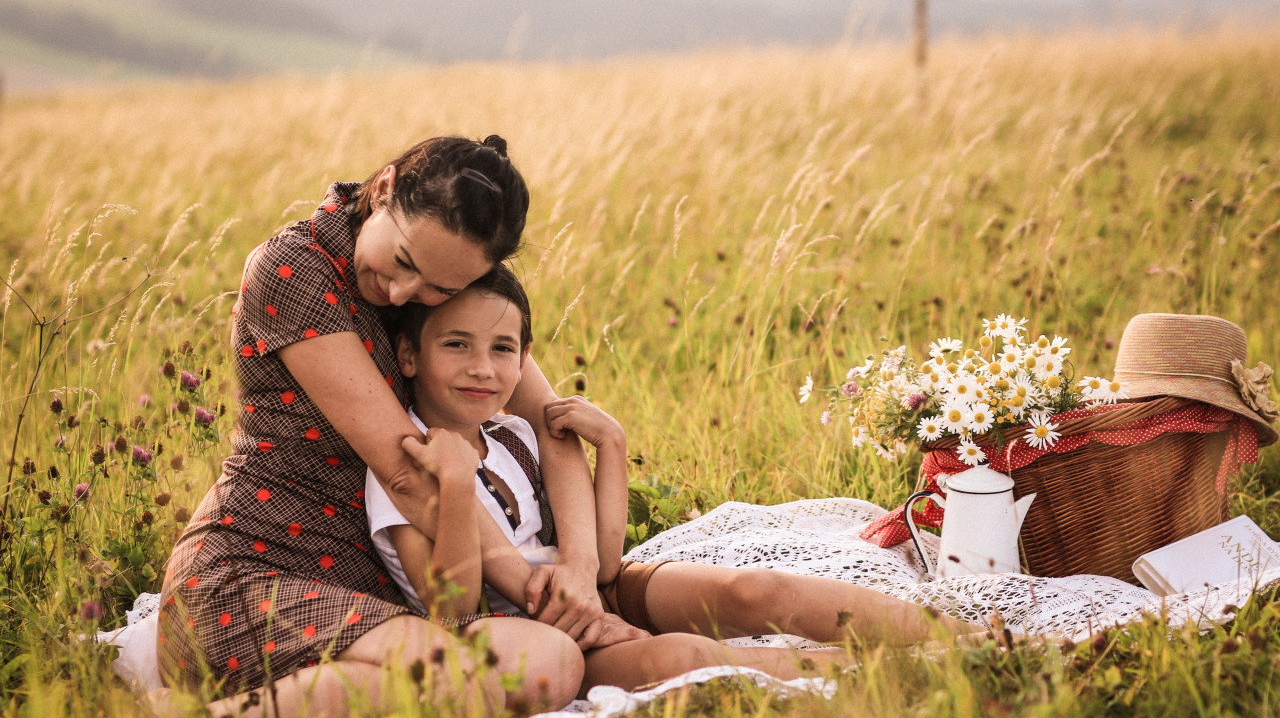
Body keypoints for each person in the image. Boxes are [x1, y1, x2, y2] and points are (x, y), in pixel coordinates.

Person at [367, 264, 981, 694]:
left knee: (756, 591)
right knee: (687, 657)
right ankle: (908, 678)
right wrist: (452, 486)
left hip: (594, 596)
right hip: (533, 637)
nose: (483, 369)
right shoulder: (405, 467)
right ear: (408, 355)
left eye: (503, 350)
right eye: (456, 344)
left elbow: (605, 561)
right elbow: (449, 611)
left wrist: (612, 445)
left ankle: (975, 642)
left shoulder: (514, 437)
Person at [154, 135, 605, 717]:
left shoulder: (452, 262)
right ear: (385, 189)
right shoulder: (295, 273)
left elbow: (548, 423)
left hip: (380, 592)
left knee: (533, 670)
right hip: (248, 575)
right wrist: (544, 593)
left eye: (438, 289)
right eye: (403, 263)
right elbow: (409, 476)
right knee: (455, 681)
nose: (401, 293)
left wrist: (580, 568)